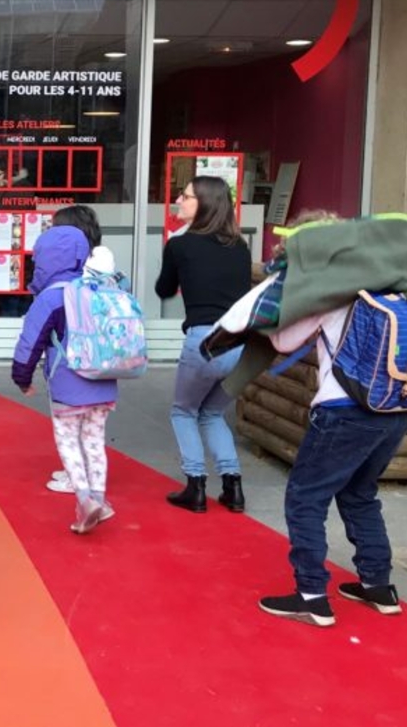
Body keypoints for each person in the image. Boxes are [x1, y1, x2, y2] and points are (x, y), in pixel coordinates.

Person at [260, 211, 407, 626]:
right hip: (393, 410)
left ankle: (311, 595)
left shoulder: (329, 292)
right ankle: (378, 585)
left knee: (305, 497)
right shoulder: (389, 284)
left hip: (343, 411)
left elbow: (282, 340)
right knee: (360, 493)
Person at [13, 225, 119, 534]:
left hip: (67, 384)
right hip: (104, 380)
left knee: (69, 440)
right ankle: (100, 496)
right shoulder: (100, 288)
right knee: (95, 441)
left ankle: (84, 499)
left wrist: (22, 377)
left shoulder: (51, 297)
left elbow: (30, 342)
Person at [156, 176, 252, 514]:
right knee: (211, 412)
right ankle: (233, 487)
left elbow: (164, 289)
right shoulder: (239, 246)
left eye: (185, 196)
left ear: (205, 203)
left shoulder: (180, 245)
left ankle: (195, 486)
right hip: (240, 344)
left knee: (183, 411)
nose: (178, 201)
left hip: (205, 340)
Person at [44, 205, 130, 495]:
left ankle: (77, 481)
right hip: (105, 364)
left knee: (69, 429)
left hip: (72, 363)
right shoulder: (107, 270)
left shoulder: (71, 274)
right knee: (93, 432)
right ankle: (94, 484)